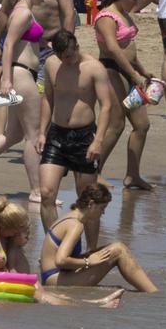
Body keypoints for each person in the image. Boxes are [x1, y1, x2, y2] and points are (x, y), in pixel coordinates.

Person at [32, 29, 117, 228]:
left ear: (76, 47)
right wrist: (42, 132)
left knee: (87, 201)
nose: (67, 60)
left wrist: (98, 141)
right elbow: (47, 99)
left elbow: (106, 106)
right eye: (62, 57)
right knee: (46, 194)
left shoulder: (94, 68)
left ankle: (91, 250)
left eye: (70, 55)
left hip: (84, 136)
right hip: (56, 134)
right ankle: (53, 246)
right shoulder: (52, 64)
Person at [90, 0, 156, 192]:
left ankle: (133, 175)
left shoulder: (125, 14)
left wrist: (143, 71)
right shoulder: (106, 17)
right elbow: (113, 49)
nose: (136, 3)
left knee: (142, 125)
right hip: (111, 72)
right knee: (116, 125)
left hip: (128, 73)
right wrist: (132, 74)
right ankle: (95, 172)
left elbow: (128, 48)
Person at [39, 182, 159, 292]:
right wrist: (88, 261)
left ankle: (150, 291)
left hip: (55, 277)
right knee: (119, 250)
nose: (103, 213)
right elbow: (60, 260)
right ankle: (153, 293)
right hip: (55, 282)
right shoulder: (76, 225)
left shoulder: (68, 217)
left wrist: (91, 255)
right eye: (102, 208)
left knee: (112, 250)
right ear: (91, 204)